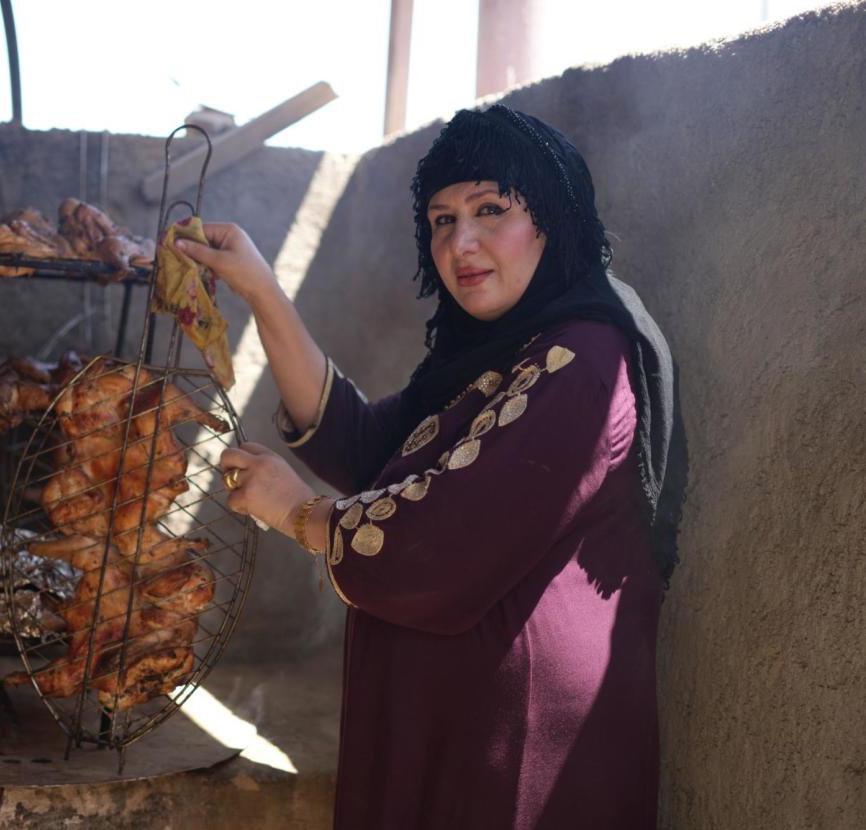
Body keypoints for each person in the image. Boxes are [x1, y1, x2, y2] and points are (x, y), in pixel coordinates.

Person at [177, 104, 684, 829]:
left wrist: (299, 513)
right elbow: (363, 445)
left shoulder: (582, 361)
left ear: (555, 217)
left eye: (490, 210)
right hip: (453, 736)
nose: (461, 243)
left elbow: (442, 540)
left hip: (520, 761)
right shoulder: (496, 359)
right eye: (442, 220)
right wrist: (261, 288)